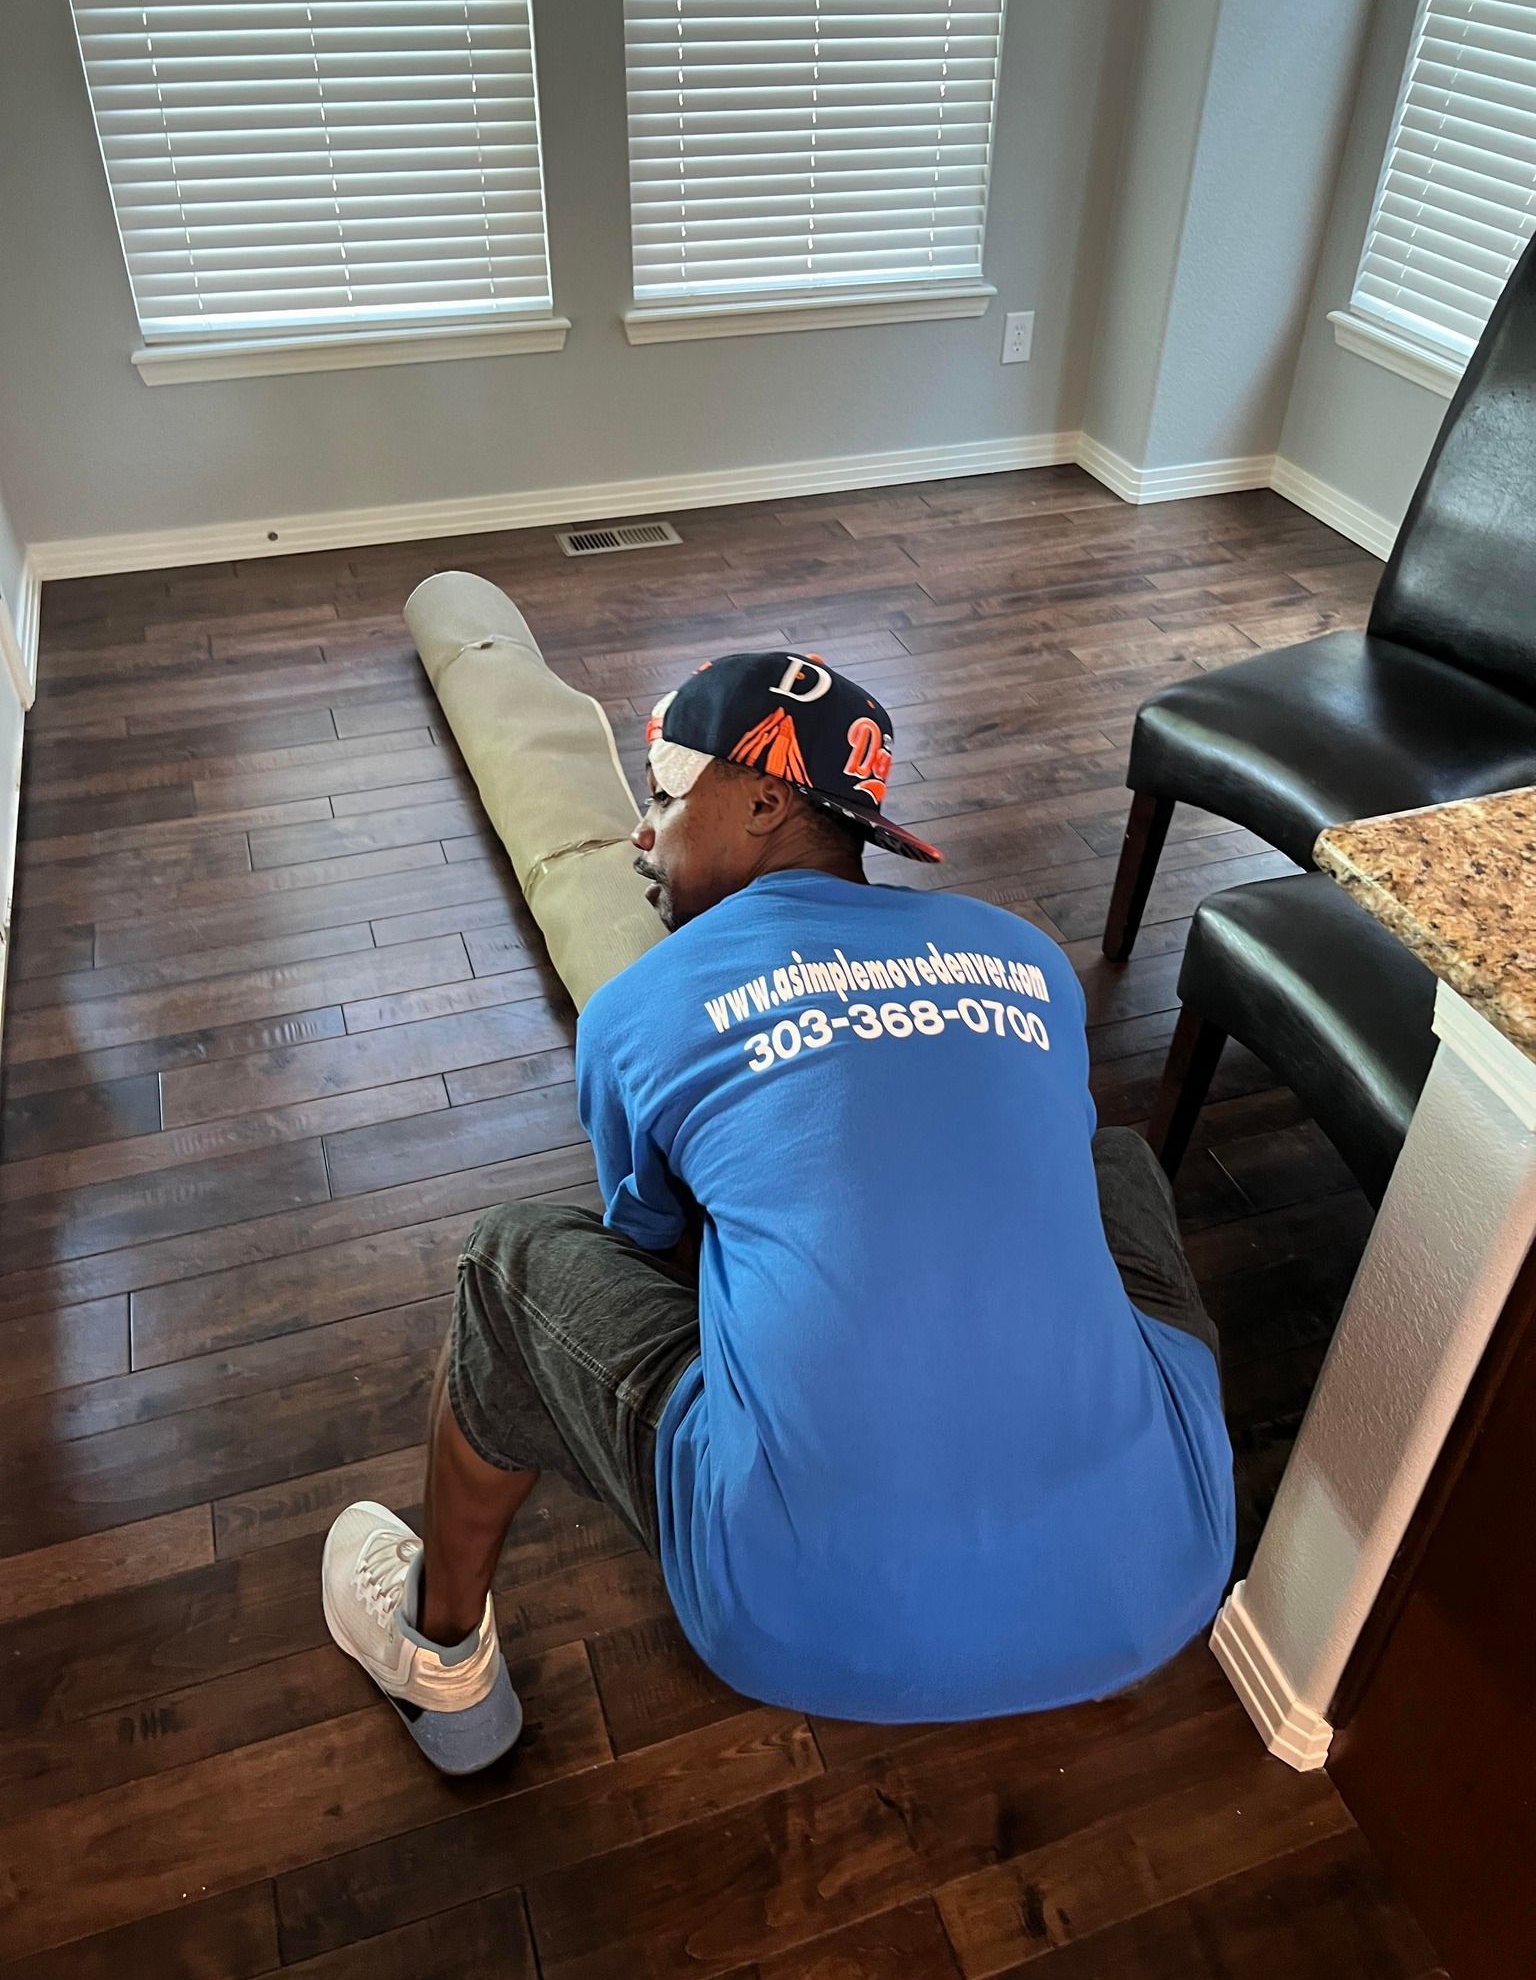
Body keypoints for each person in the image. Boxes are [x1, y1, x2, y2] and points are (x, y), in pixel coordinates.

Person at [322, 652, 1235, 1772]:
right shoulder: (1030, 960)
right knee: (1113, 1160)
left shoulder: (637, 1007)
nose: (639, 837)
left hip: (794, 1610)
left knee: (508, 1261)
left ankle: (439, 1658)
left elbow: (648, 1243)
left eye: (660, 794)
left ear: (762, 797)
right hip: (1164, 1569)